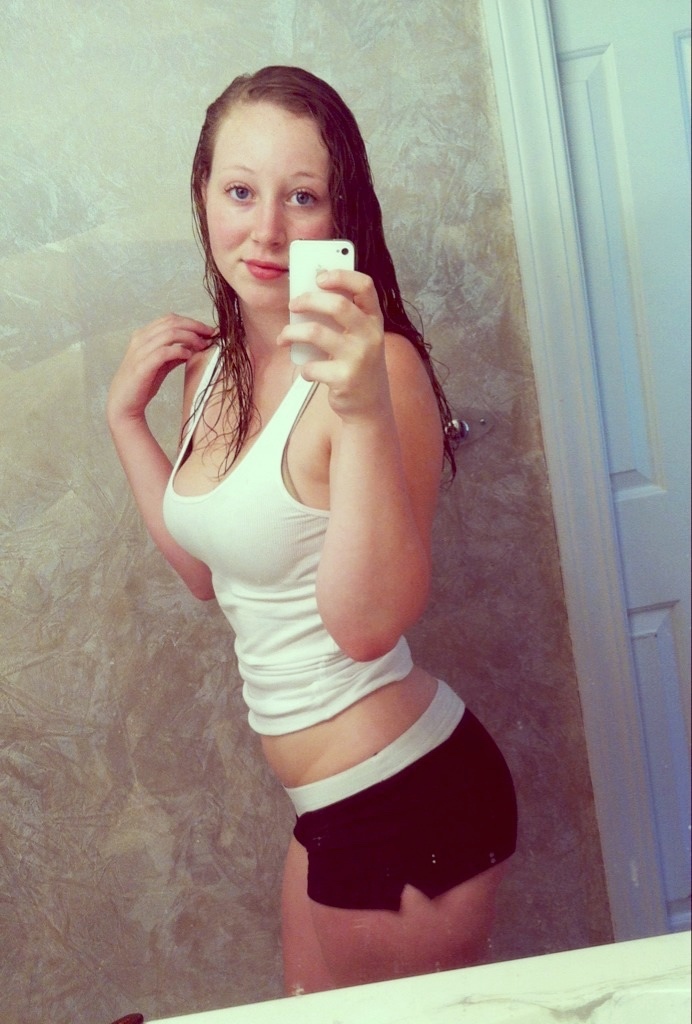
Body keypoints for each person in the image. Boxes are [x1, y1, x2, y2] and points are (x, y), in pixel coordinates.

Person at [107, 65, 517, 995]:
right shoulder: (214, 368)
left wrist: (363, 404)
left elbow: (366, 626)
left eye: (302, 197)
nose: (266, 231)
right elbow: (211, 576)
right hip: (326, 804)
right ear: (202, 194)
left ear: (342, 216)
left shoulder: (381, 371)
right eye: (239, 191)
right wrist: (126, 423)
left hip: (405, 794)